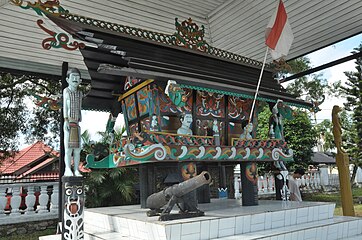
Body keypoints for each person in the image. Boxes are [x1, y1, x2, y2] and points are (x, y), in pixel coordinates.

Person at [63, 68, 83, 177]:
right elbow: (65, 107)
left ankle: (76, 169)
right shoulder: (66, 91)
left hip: (77, 124)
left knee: (77, 149)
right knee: (68, 148)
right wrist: (65, 119)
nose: (75, 79)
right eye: (73, 77)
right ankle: (67, 168)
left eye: (77, 77)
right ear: (67, 79)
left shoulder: (80, 93)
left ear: (80, 80)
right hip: (68, 122)